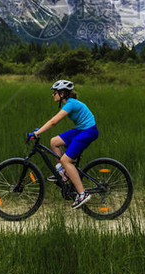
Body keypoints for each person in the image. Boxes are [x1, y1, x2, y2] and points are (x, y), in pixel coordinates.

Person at [27, 79, 99, 210]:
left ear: (63, 93)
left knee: (66, 160)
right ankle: (63, 174)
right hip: (82, 129)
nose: (53, 95)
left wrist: (36, 133)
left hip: (88, 131)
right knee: (54, 142)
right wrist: (39, 131)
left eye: (55, 92)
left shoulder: (70, 104)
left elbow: (54, 121)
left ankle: (82, 194)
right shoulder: (70, 102)